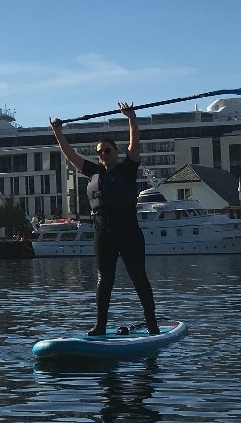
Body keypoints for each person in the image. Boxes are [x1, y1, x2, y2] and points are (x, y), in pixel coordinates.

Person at [50, 103, 159, 336]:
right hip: (103, 232)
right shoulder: (93, 173)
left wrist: (131, 118)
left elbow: (135, 143)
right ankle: (100, 326)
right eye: (99, 152)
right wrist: (58, 133)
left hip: (128, 231)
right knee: (103, 279)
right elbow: (71, 155)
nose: (102, 154)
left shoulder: (127, 169)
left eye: (106, 150)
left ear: (116, 152)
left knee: (138, 277)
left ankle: (152, 324)